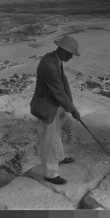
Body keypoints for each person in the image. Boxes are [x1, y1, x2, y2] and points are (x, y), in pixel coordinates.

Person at [30, 35, 82, 185]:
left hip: (52, 105)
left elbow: (63, 79)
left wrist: (71, 103)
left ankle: (60, 157)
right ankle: (50, 174)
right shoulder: (49, 65)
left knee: (56, 133)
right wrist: (73, 111)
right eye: (70, 54)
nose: (71, 57)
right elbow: (59, 92)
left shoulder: (55, 58)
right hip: (46, 106)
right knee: (49, 141)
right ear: (63, 50)